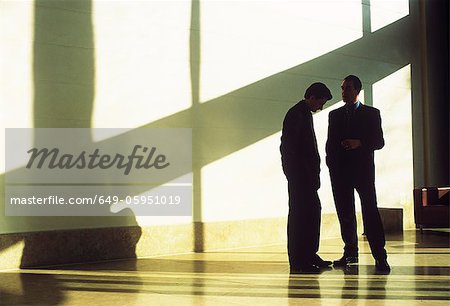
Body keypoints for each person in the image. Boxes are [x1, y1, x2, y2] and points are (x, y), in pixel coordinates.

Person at [325, 75, 390, 273]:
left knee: (370, 212)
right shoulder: (334, 115)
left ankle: (380, 256)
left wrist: (359, 143)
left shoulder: (371, 113)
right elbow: (330, 143)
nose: (344, 92)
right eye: (342, 88)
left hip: (362, 172)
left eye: (348, 88)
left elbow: (379, 141)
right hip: (340, 173)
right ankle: (350, 253)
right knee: (345, 214)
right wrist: (331, 165)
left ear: (357, 91)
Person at [280, 82, 332, 273]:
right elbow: (288, 148)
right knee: (300, 218)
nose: (321, 106)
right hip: (300, 178)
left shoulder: (302, 114)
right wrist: (294, 175)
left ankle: (309, 255)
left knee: (310, 214)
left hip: (305, 178)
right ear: (312, 97)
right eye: (321, 102)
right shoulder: (296, 114)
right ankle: (300, 260)